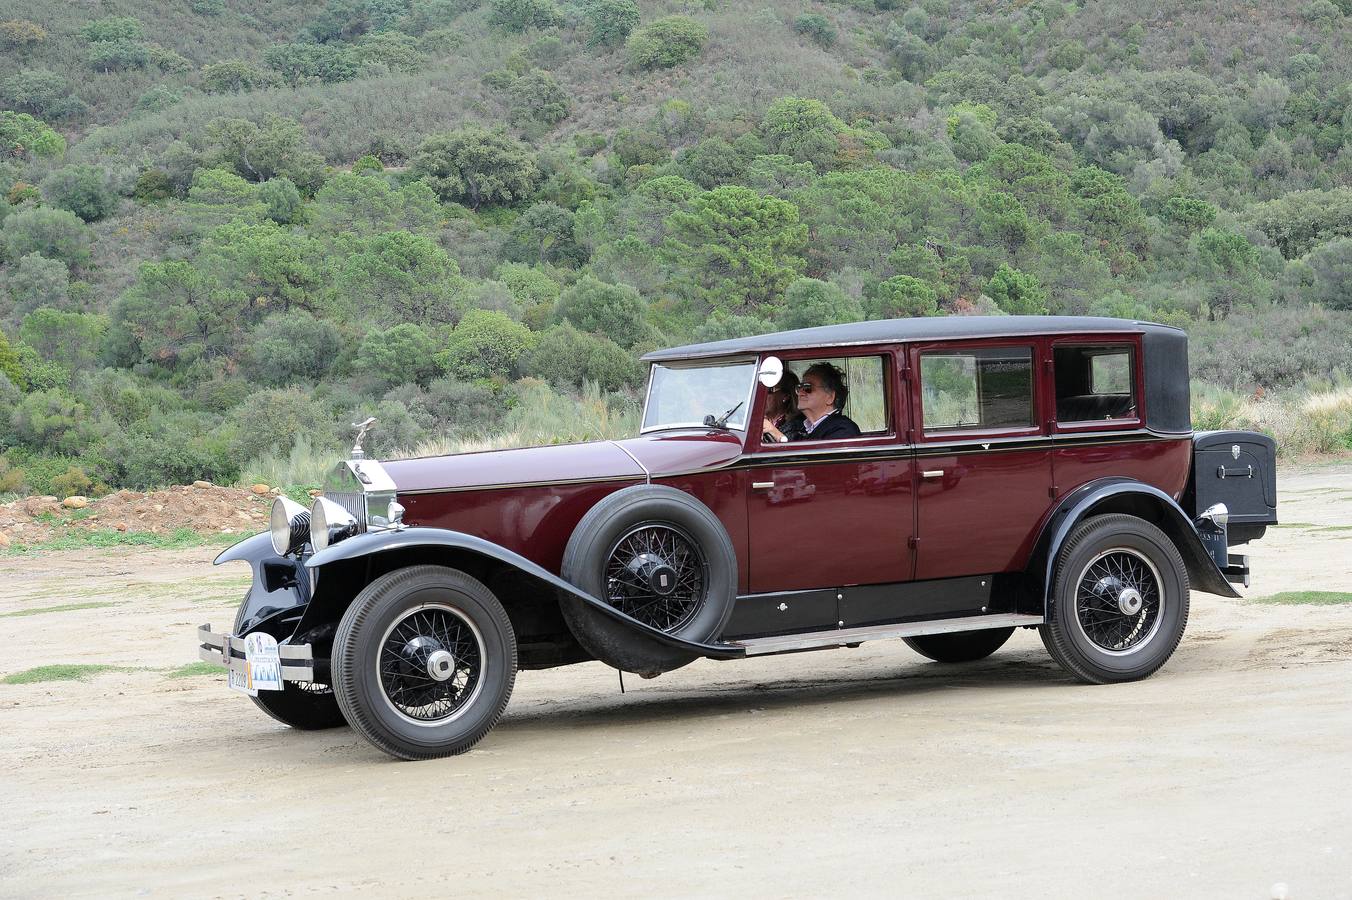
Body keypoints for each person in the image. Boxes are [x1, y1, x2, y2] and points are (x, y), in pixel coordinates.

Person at [795, 362, 861, 440]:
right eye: (799, 387)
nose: (800, 392)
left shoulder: (843, 430)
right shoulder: (803, 430)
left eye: (807, 387)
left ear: (830, 397)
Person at [761, 370, 805, 444]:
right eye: (761, 390)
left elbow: (795, 448)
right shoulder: (756, 419)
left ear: (785, 396)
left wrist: (773, 431)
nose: (762, 395)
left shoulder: (798, 425)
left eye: (769, 390)